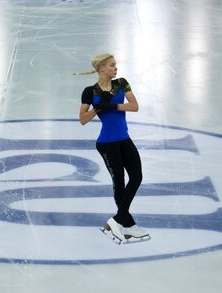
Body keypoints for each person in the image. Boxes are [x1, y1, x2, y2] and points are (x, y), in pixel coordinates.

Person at [77, 53, 149, 243]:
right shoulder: (90, 91)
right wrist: (96, 109)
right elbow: (82, 119)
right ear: (101, 68)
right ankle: (127, 225)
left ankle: (117, 221)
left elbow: (134, 106)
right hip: (107, 143)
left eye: (115, 65)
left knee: (137, 176)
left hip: (124, 139)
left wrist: (112, 106)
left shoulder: (121, 83)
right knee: (119, 180)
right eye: (111, 65)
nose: (115, 68)